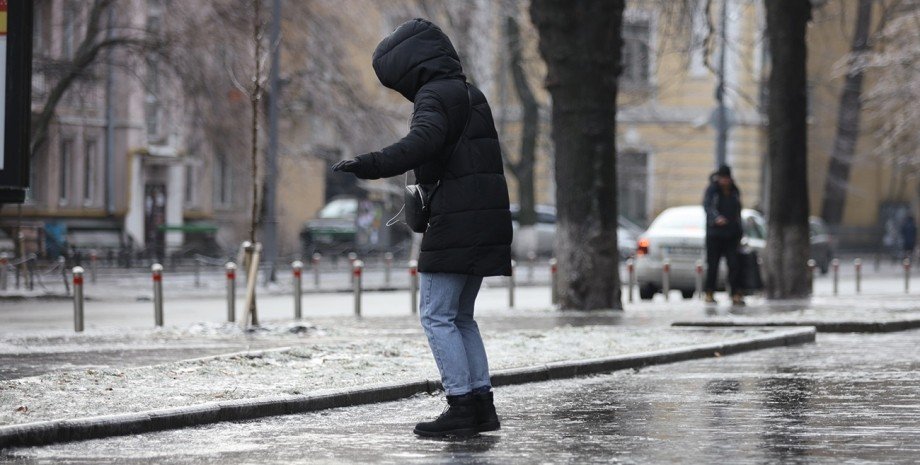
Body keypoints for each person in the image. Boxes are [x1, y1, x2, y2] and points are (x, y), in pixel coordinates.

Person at [332, 18, 512, 438]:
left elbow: (423, 142)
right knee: (460, 317)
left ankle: (462, 405)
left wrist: (371, 164)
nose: (402, 91)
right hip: (483, 219)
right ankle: (481, 405)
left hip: (456, 222)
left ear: (411, 69)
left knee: (436, 316)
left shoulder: (435, 96)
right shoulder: (470, 94)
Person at [703, 165, 744, 305]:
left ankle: (735, 294)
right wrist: (716, 218)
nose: (725, 181)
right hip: (715, 234)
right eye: (722, 178)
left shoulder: (734, 190)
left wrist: (739, 230)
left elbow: (738, 211)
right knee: (713, 265)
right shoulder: (712, 190)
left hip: (732, 234)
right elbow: (707, 206)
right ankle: (709, 292)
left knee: (734, 265)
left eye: (727, 178)